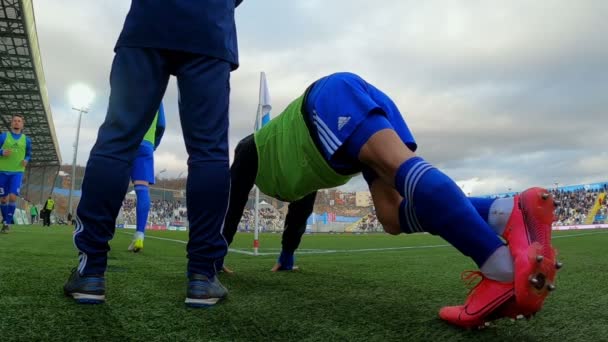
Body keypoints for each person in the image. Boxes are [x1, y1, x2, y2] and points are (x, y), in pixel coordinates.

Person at [219, 72, 560, 328]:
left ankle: (499, 266)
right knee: (392, 217)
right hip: (357, 107)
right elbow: (302, 202)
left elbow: (232, 202)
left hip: (329, 100)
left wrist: (215, 257)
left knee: (403, 169)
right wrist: (287, 257)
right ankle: (502, 211)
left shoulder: (249, 149)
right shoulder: (292, 173)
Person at [64, 0, 244, 308]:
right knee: (208, 152)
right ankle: (202, 275)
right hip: (211, 25)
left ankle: (90, 270)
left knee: (117, 141)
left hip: (149, 20)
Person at [127, 104, 165, 252]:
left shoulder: (127, 84)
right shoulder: (158, 93)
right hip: (146, 145)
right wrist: (153, 144)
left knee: (116, 186)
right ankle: (139, 236)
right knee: (142, 190)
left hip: (126, 141)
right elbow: (161, 124)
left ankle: (102, 233)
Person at [0, 114, 32, 233]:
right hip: (2, 171)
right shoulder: (3, 137)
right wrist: (2, 152)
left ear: (22, 125)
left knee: (13, 197)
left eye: (19, 121)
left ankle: (8, 223)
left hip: (17, 172)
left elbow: (28, 154)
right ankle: (5, 221)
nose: (17, 123)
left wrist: (26, 160)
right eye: (15, 121)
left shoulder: (26, 140)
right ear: (11, 123)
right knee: (3, 199)